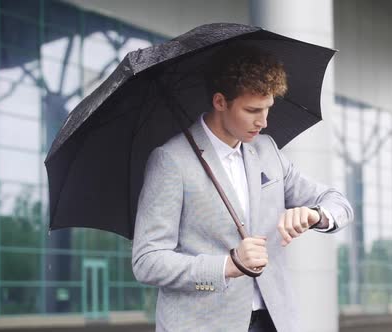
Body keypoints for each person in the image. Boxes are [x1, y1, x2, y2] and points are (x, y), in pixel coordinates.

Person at [131, 43, 353, 332]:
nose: (263, 122)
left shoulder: (267, 150)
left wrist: (315, 214)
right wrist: (227, 265)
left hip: (273, 322)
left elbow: (338, 203)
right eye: (252, 110)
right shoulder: (171, 161)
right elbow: (147, 261)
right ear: (220, 102)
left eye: (267, 108)